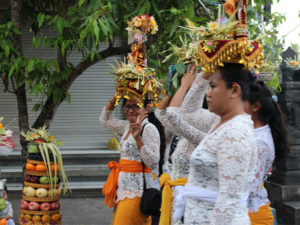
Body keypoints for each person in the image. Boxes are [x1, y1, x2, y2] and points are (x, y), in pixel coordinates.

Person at [170, 63, 257, 225]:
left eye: (213, 86)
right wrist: (203, 76)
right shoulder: (219, 122)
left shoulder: (235, 132)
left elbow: (229, 199)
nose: (208, 94)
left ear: (234, 90)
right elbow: (187, 113)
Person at [155, 64, 209, 225]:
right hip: (177, 197)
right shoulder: (185, 132)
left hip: (192, 203)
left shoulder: (205, 125)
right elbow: (161, 113)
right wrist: (173, 89)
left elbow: (172, 115)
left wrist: (186, 86)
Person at [99, 96, 160, 225]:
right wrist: (115, 98)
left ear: (146, 109)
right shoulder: (126, 126)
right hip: (122, 190)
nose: (131, 110)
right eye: (127, 106)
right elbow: (104, 119)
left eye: (136, 106)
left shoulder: (149, 128)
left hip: (138, 192)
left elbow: (153, 162)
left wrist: (138, 139)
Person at [245, 81, 289, 224]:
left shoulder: (260, 141)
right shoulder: (252, 132)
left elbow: (250, 188)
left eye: (241, 100)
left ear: (256, 106)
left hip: (253, 215)